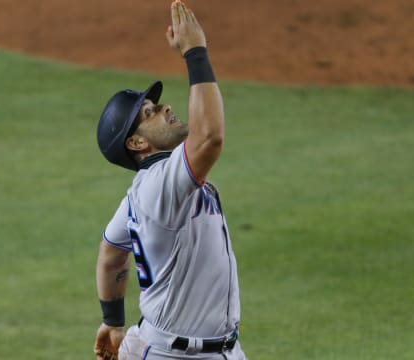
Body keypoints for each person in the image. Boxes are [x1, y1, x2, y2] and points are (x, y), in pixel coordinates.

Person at [93, 1, 246, 359]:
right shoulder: (159, 185)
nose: (164, 108)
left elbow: (111, 254)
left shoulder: (140, 194)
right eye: (150, 112)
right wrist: (195, 52)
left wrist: (113, 321)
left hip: (216, 350)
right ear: (137, 143)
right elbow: (209, 138)